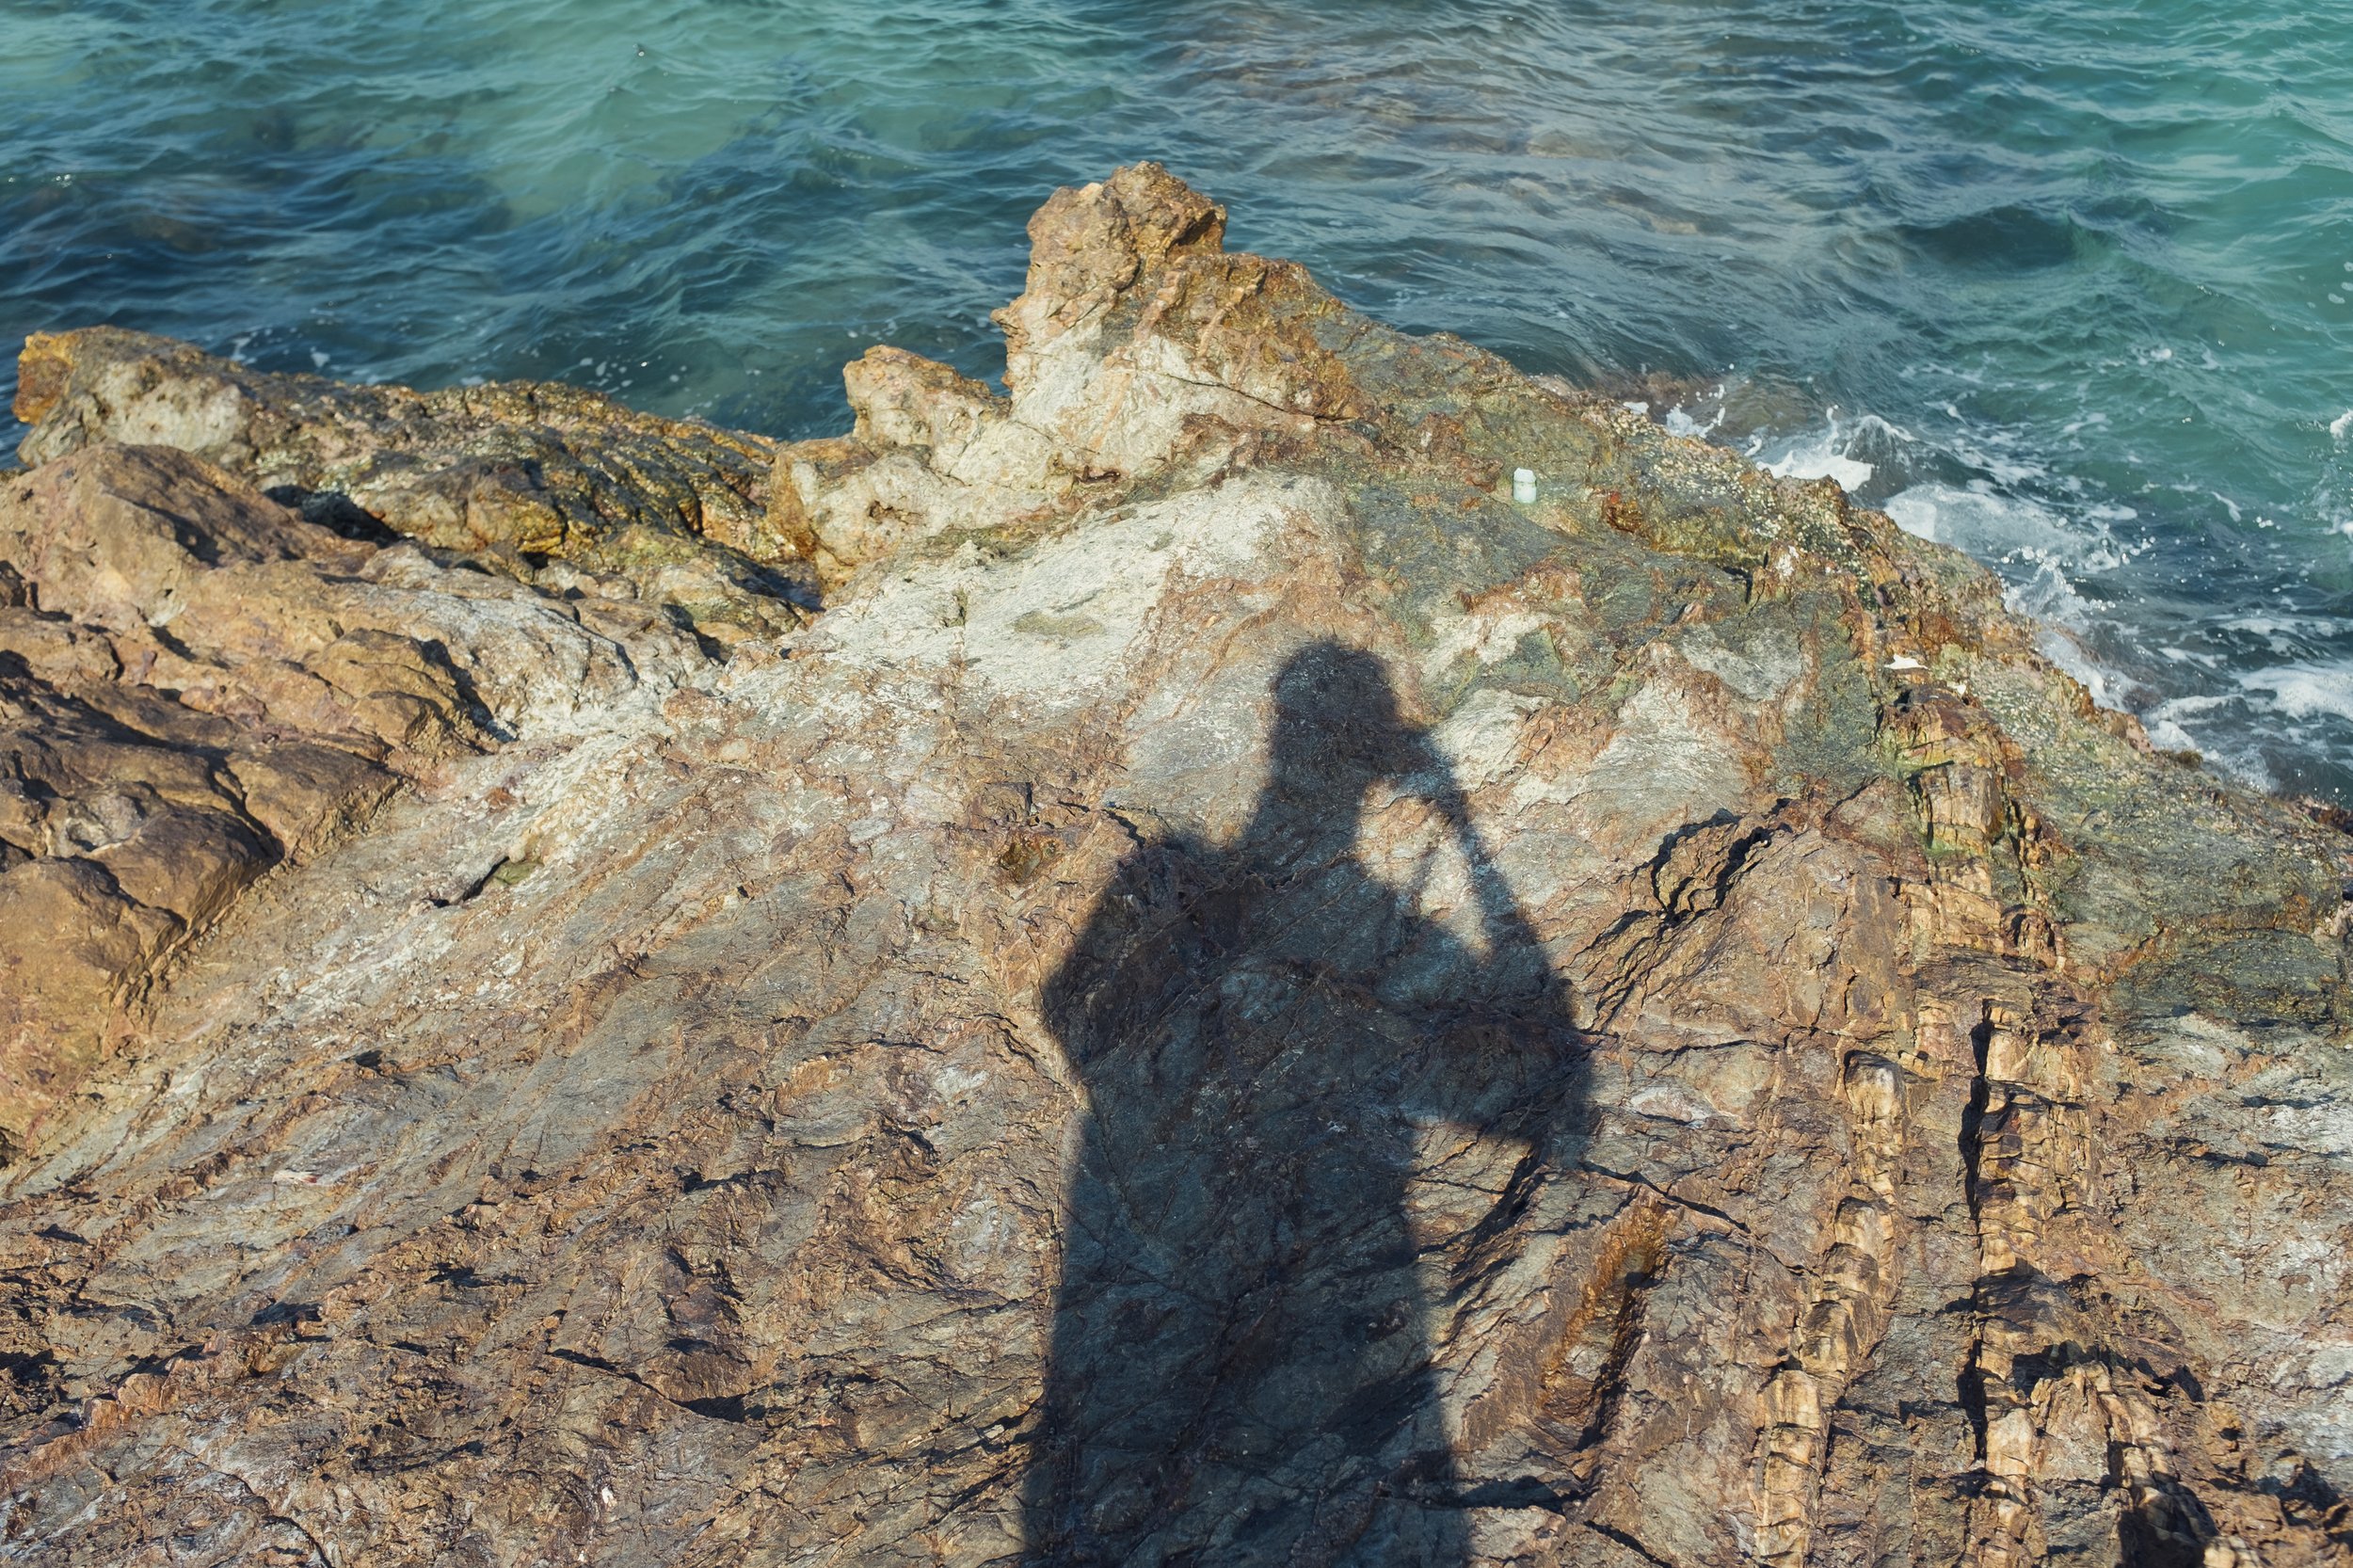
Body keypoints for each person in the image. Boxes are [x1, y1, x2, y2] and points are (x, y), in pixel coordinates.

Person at [1025, 642, 1587, 1566]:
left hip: (1167, 1218)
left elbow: (1069, 1011)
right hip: (1306, 1242)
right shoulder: (1351, 912)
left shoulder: (1175, 871)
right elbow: (1536, 1095)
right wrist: (1467, 837)